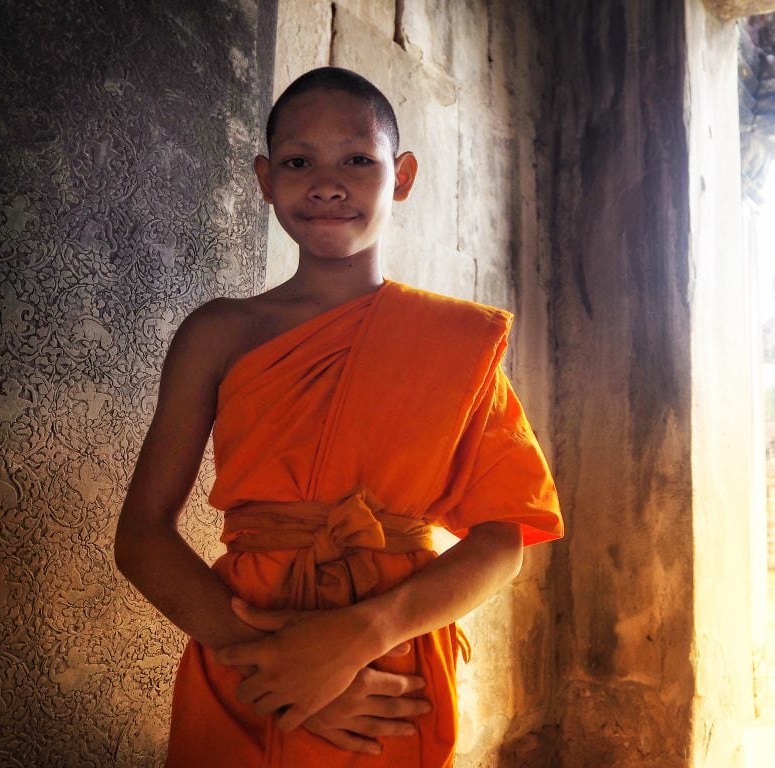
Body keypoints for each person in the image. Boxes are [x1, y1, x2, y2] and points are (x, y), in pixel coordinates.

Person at [115, 66, 563, 767]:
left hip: (391, 668)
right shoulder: (220, 332)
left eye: (358, 159)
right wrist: (267, 662)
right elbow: (142, 535)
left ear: (402, 174)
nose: (328, 183)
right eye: (299, 162)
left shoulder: (453, 340)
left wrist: (361, 634)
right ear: (265, 179)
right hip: (243, 665)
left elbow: (503, 540)